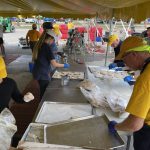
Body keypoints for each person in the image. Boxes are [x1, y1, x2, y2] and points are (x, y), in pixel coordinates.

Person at [108, 36, 150, 150]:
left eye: (124, 58)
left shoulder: (146, 78)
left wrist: (116, 126)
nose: (124, 63)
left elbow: (134, 124)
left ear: (133, 54)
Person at [32, 30, 70, 98]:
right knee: (44, 93)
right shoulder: (46, 47)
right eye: (53, 40)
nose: (53, 42)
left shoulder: (39, 44)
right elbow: (54, 64)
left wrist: (57, 53)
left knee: (42, 89)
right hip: (43, 73)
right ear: (50, 39)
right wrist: (65, 65)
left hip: (37, 71)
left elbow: (43, 55)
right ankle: (41, 104)